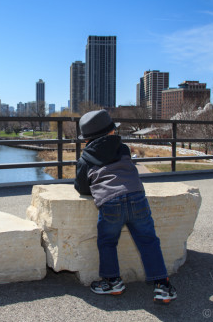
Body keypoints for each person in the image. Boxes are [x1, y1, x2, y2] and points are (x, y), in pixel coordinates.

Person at [74, 109, 176, 304]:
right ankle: (163, 285)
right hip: (137, 197)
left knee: (107, 242)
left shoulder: (86, 158)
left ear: (86, 139)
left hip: (110, 203)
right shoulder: (123, 149)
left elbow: (82, 187)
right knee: (148, 241)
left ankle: (112, 281)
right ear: (112, 131)